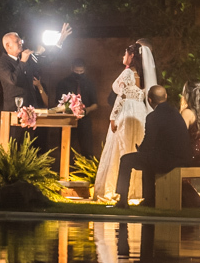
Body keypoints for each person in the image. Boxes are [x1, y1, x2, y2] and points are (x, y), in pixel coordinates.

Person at [94, 43, 156, 200]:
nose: (123, 57)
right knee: (134, 145)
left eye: (125, 53)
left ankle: (117, 189)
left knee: (121, 146)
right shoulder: (142, 75)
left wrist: (112, 117)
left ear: (132, 56)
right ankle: (136, 190)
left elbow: (121, 96)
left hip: (127, 112)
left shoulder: (128, 73)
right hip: (139, 113)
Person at [114, 85, 192, 208]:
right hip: (183, 158)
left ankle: (123, 200)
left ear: (149, 100)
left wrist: (141, 149)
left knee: (126, 160)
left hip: (168, 160)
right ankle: (149, 198)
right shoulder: (176, 114)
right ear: (165, 96)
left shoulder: (153, 117)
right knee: (148, 159)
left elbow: (149, 143)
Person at [0, 24, 72, 111]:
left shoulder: (28, 57)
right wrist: (23, 62)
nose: (21, 43)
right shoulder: (2, 63)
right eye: (17, 41)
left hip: (32, 109)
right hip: (14, 110)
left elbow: (45, 61)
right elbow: (14, 80)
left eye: (21, 41)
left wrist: (60, 41)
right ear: (8, 46)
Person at [54, 58, 99, 158]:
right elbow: (57, 103)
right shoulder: (63, 83)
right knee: (66, 147)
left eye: (81, 71)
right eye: (76, 71)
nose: (79, 73)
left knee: (87, 148)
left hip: (85, 119)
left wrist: (87, 110)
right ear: (72, 68)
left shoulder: (89, 83)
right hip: (67, 119)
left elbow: (95, 104)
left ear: (85, 70)